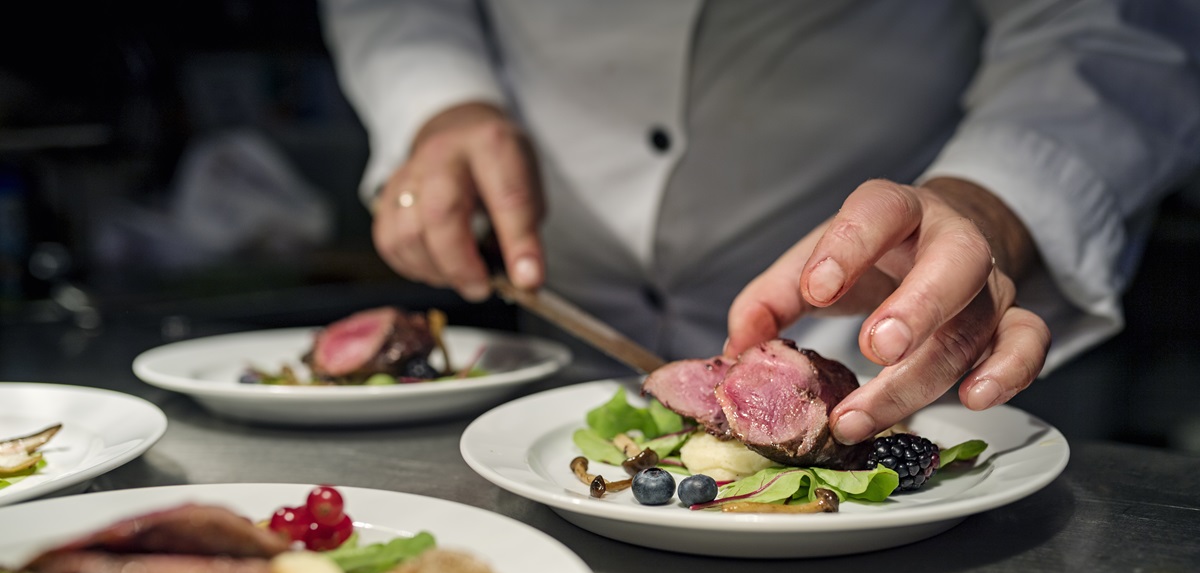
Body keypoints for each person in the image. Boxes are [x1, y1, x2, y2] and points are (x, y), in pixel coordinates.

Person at [320, 0, 1200, 445]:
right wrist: (434, 102)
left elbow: (1109, 30)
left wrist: (991, 205)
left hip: (901, 333)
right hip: (562, 303)